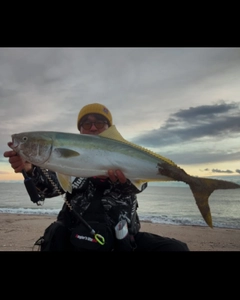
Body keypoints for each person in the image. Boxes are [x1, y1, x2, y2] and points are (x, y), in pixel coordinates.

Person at [4, 103, 189, 251]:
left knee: (177, 249)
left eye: (99, 123)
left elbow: (139, 185)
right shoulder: (66, 167)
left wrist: (121, 182)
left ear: (109, 128)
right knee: (55, 236)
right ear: (80, 130)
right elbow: (49, 189)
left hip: (121, 240)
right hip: (73, 237)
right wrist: (29, 169)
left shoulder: (127, 155)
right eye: (86, 123)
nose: (93, 127)